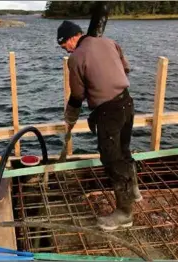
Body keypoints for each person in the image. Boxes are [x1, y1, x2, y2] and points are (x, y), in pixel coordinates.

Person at [57, 21, 142, 231]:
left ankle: (124, 213)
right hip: (127, 103)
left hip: (108, 111)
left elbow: (77, 94)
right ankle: (134, 192)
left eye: (64, 45)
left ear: (72, 38)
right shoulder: (109, 42)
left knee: (112, 159)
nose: (66, 50)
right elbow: (126, 68)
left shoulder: (76, 57)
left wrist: (70, 115)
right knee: (124, 151)